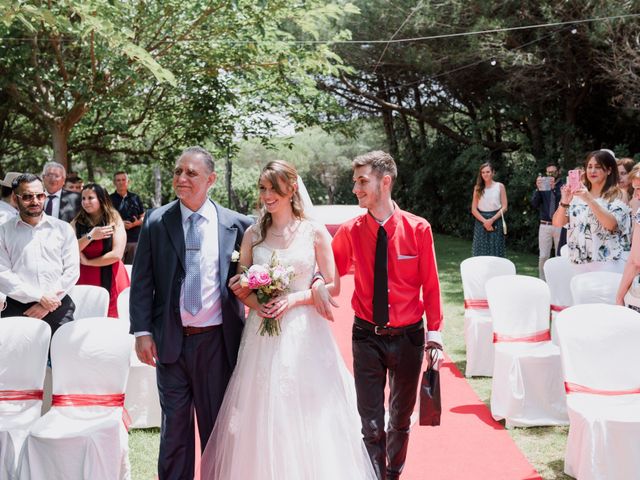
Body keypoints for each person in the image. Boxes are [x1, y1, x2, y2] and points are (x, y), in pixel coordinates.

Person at [200, 160, 376, 480]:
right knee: (263, 408)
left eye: (274, 189)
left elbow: (334, 283)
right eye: (263, 189)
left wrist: (295, 298)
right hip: (262, 333)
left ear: (291, 189)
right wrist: (257, 303)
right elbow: (239, 282)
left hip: (304, 330)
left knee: (306, 406)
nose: (267, 195)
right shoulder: (254, 233)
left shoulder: (313, 231)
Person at [313, 151, 443, 480]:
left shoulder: (418, 229)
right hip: (366, 336)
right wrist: (316, 279)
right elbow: (330, 270)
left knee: (399, 420)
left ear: (384, 182)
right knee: (370, 425)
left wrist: (435, 334)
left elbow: (430, 284)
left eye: (362, 181)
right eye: (354, 181)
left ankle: (393, 474)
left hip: (410, 337)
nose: (355, 188)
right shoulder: (352, 230)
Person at [129, 146, 252, 480]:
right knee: (174, 432)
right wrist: (142, 332)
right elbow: (142, 281)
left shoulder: (237, 225)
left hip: (217, 344)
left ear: (211, 179)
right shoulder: (156, 220)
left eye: (191, 173)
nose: (181, 179)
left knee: (217, 430)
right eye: (177, 172)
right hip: (170, 343)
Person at [0, 173, 79, 334]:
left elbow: (71, 271)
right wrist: (40, 297)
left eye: (40, 195)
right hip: (17, 307)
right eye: (28, 196)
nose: (35, 201)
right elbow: (2, 273)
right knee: (17, 357)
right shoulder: (3, 231)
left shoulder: (63, 229)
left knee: (62, 356)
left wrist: (47, 303)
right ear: (15, 198)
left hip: (58, 304)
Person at [552, 150, 631, 273]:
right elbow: (557, 223)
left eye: (598, 167)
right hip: (578, 262)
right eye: (589, 167)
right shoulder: (577, 194)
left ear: (609, 170)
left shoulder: (619, 194)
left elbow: (611, 224)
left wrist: (589, 199)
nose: (592, 171)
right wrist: (564, 202)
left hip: (608, 263)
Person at [71, 183, 130, 318]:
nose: (86, 202)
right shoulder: (76, 221)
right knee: (85, 315)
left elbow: (117, 254)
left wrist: (88, 262)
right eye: (83, 198)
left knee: (113, 318)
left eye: (90, 198)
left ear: (102, 199)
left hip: (112, 275)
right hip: (84, 277)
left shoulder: (114, 219)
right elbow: (70, 249)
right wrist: (91, 236)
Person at [531, 163, 563, 279]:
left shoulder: (563, 185)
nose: (551, 175)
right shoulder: (543, 186)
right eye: (548, 172)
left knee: (560, 255)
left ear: (558, 171)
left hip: (560, 225)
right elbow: (534, 204)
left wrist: (554, 189)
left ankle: (559, 280)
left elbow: (564, 201)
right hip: (545, 224)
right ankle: (542, 280)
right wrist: (538, 189)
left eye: (553, 172)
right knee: (543, 256)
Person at [471, 162, 508, 257]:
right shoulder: (477, 188)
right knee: (480, 251)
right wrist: (485, 222)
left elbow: (504, 207)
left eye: (487, 172)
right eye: (483, 172)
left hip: (496, 220)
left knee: (496, 250)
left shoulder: (500, 186)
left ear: (493, 173)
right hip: (481, 221)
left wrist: (492, 220)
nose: (485, 174)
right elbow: (474, 209)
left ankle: (498, 272)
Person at [110, 171, 145, 264]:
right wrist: (120, 224)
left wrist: (135, 223)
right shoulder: (109, 199)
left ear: (128, 182)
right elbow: (105, 219)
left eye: (123, 180)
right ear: (114, 183)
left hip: (134, 240)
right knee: (117, 268)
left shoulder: (135, 198)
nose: (121, 182)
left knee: (132, 269)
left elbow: (143, 217)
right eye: (118, 180)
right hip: (116, 240)